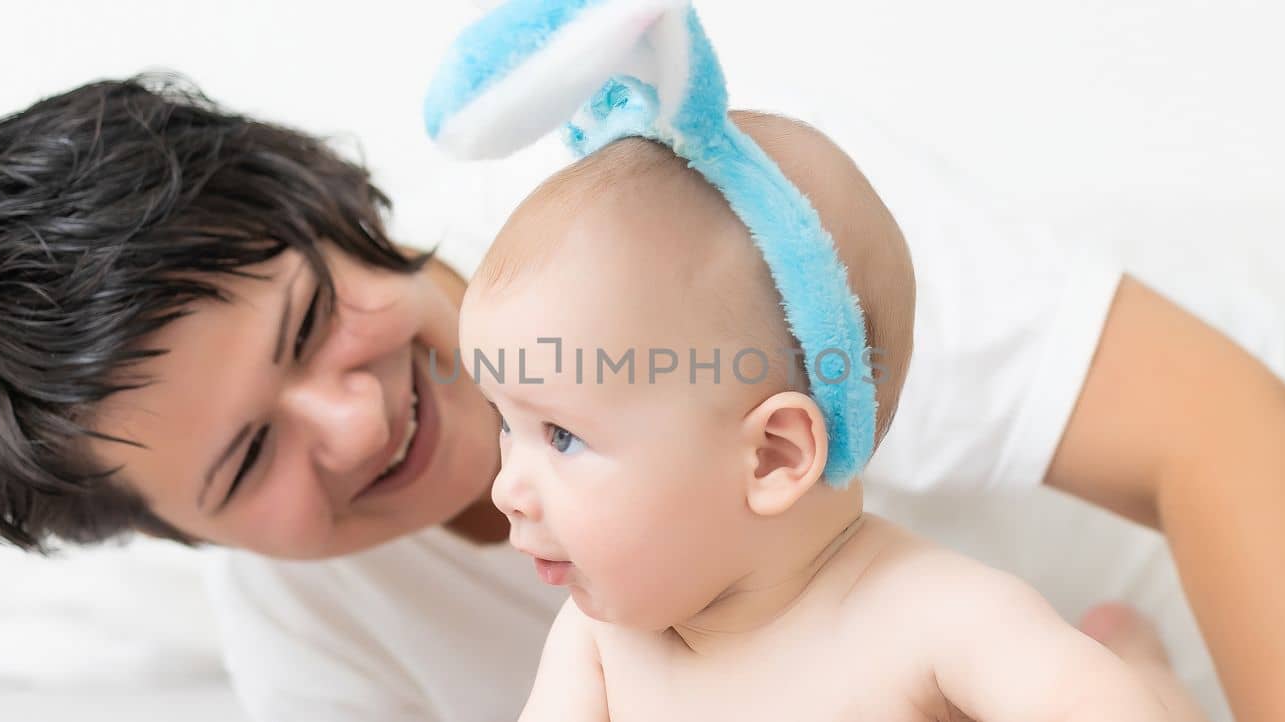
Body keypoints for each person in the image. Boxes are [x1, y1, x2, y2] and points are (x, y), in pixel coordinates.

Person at [0, 74, 1285, 721]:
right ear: (179, 530)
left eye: (306, 323)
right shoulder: (314, 634)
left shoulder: (686, 234)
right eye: (244, 459)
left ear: (333, 202)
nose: (351, 424)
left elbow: (1241, 442)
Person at [460, 113, 1194, 721]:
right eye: (506, 423)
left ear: (773, 457)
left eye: (561, 435)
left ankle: (1135, 656)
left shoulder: (934, 616)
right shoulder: (598, 646)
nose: (505, 488)